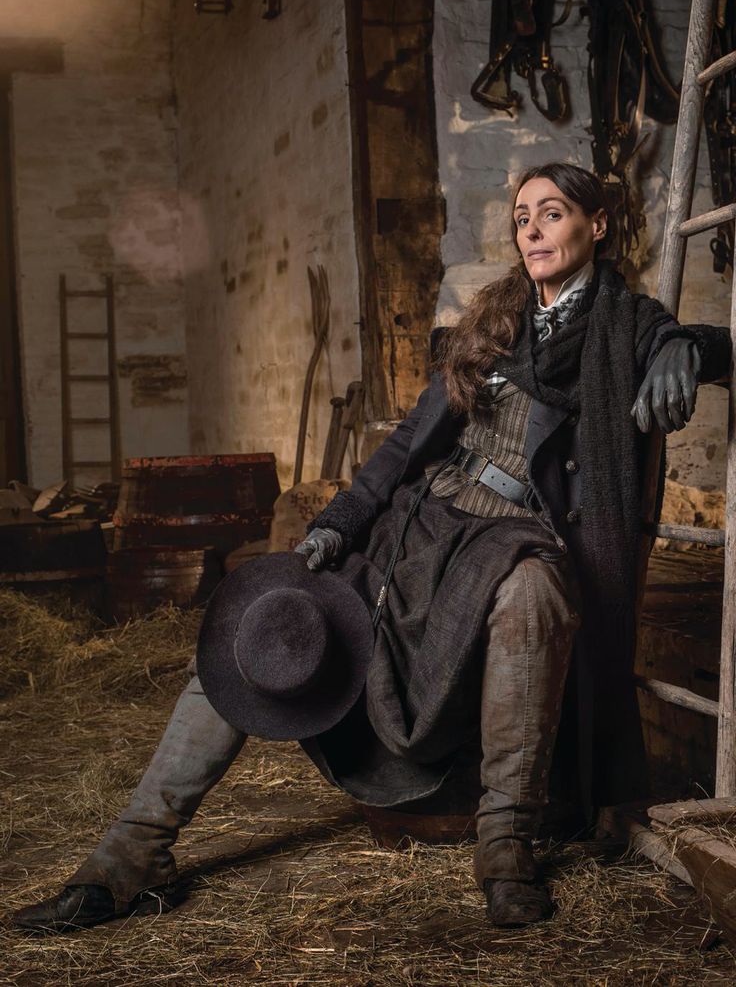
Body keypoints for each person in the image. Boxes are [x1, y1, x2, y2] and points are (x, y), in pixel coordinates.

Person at [14, 162, 731, 935]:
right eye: (521, 216)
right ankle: (133, 849)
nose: (530, 230)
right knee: (265, 613)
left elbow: (719, 346)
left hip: (524, 532)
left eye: (550, 214)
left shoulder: (631, 326)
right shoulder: (492, 324)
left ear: (595, 226)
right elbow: (404, 449)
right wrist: (339, 521)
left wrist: (683, 348)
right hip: (425, 526)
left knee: (537, 590)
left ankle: (506, 846)